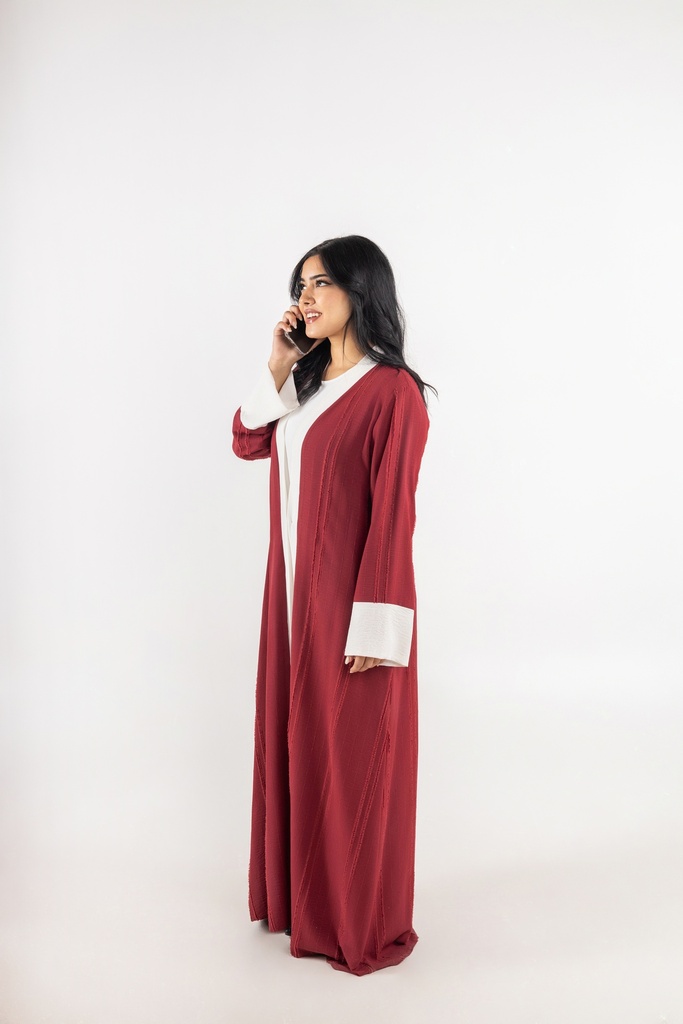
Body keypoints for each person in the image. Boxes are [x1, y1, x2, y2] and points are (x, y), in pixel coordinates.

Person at [232, 234, 434, 975]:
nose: (305, 298)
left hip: (350, 613)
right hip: (289, 610)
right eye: (300, 285)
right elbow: (247, 440)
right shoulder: (309, 388)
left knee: (351, 760)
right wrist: (280, 365)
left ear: (361, 290)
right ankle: (297, 900)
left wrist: (376, 627)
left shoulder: (393, 393)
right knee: (296, 743)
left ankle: (354, 918)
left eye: (321, 284)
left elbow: (393, 519)